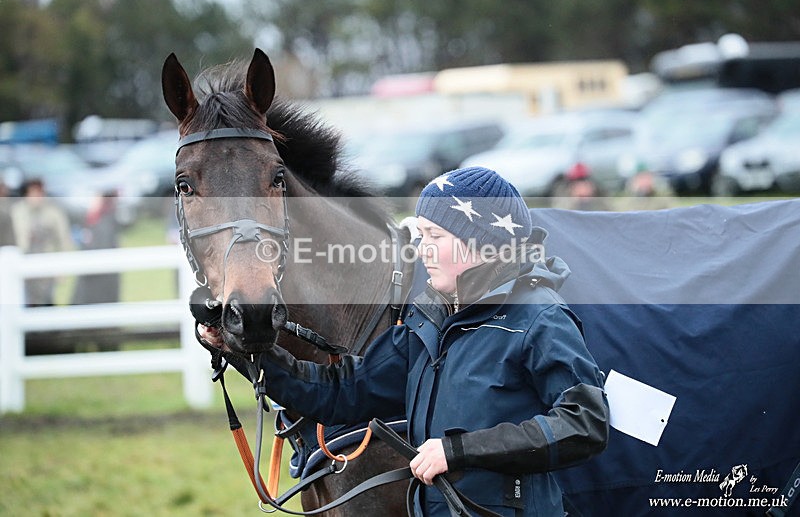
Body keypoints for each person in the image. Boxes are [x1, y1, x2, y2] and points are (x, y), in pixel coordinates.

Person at [200, 166, 609, 516]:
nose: (421, 250)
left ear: (481, 244)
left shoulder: (540, 318)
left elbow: (584, 424)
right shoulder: (429, 320)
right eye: (420, 234)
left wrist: (458, 450)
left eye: (434, 236)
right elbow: (342, 391)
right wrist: (242, 350)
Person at [11, 178, 73, 306]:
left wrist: (62, 268)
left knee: (46, 301)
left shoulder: (53, 212)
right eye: (33, 192)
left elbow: (64, 240)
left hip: (46, 264)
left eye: (40, 192)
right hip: (24, 264)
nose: (37, 196)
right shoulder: (17, 211)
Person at [71, 192, 120, 305]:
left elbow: (99, 249)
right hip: (94, 281)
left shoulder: (104, 222)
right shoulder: (96, 220)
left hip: (98, 283)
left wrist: (84, 244)